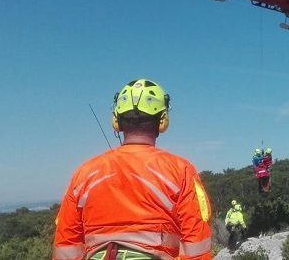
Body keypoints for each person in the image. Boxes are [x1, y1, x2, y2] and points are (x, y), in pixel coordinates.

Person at [53, 79, 212, 260]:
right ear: (163, 120)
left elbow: (66, 244)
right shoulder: (181, 170)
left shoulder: (83, 173)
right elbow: (196, 241)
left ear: (116, 121)